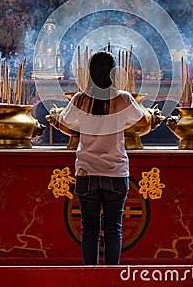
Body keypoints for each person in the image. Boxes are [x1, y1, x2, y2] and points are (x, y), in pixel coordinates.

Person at [52, 51, 149, 265]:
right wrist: (121, 124)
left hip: (87, 172)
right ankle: (111, 277)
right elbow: (143, 123)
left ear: (90, 73)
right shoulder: (123, 98)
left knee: (89, 230)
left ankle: (90, 276)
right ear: (113, 73)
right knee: (113, 229)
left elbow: (62, 124)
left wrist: (82, 129)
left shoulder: (80, 99)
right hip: (115, 171)